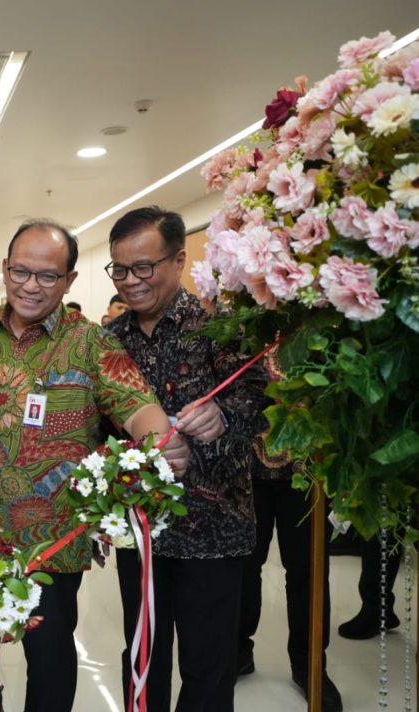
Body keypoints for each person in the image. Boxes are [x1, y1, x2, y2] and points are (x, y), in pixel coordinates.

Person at [0, 219, 188, 712]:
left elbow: (137, 404)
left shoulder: (91, 343)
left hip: (54, 540)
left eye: (47, 276)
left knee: (50, 660)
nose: (30, 286)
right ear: (4, 270)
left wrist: (159, 440)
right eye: (20, 271)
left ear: (67, 281)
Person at [104, 206, 269, 712]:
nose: (131, 282)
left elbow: (260, 401)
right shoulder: (109, 342)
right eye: (120, 270)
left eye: (143, 268)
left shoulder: (219, 327)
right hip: (143, 529)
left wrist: (224, 416)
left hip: (215, 528)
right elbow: (100, 424)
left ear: (178, 260)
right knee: (144, 654)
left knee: (209, 665)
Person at [237, 406, 342, 711]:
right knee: (241, 564)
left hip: (306, 465)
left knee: (308, 569)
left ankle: (309, 664)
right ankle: (237, 651)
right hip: (245, 461)